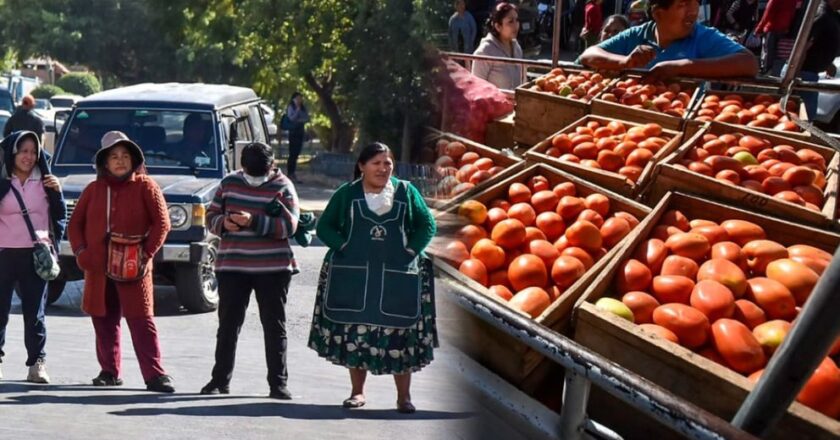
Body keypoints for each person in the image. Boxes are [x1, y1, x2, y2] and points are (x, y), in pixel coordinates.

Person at [308, 142, 437, 414]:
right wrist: (342, 247)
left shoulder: (406, 192)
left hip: (398, 276)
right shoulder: (347, 194)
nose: (383, 168)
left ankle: (404, 398)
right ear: (362, 166)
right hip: (355, 277)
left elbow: (427, 224)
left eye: (387, 163)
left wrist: (411, 250)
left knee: (400, 333)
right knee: (357, 332)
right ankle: (357, 393)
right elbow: (326, 226)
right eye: (376, 163)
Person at [67, 131, 175, 393]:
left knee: (141, 321)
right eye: (114, 156)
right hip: (98, 270)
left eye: (125, 156)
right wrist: (82, 253)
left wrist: (144, 254)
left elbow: (162, 224)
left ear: (134, 159)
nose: (119, 161)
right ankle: (109, 371)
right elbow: (74, 225)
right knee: (103, 320)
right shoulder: (93, 190)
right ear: (104, 162)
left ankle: (155, 375)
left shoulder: (146, 186)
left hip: (133, 269)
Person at [200, 141, 300, 399]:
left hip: (273, 267)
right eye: (250, 173)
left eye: (261, 174)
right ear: (241, 166)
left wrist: (253, 221)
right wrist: (225, 224)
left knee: (274, 325)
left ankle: (278, 384)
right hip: (233, 265)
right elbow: (210, 217)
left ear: (272, 165)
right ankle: (219, 379)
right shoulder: (229, 183)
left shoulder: (282, 186)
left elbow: (290, 227)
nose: (255, 179)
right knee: (228, 325)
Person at [0, 131, 66, 383]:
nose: (28, 157)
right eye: (23, 151)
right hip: (4, 254)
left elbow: (59, 216)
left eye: (33, 151)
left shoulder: (47, 182)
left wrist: (58, 192)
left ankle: (37, 364)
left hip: (36, 255)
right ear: (13, 153)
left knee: (35, 312)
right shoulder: (3, 180)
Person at [579, 0, 759, 79]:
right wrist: (625, 61)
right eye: (683, 4)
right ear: (658, 13)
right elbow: (588, 54)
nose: (694, 11)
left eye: (695, 3)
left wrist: (682, 66)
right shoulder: (637, 34)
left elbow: (749, 63)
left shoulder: (703, 36)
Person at [784, 0, 840, 117]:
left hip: (809, 73)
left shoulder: (831, 15)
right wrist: (794, 75)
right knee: (802, 117)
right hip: (803, 73)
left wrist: (827, 63)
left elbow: (820, 43)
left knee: (805, 115)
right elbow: (804, 45)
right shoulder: (822, 14)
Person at [472, 2, 525, 90]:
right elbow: (477, 89)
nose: (516, 25)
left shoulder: (516, 47)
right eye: (510, 21)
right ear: (498, 26)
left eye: (517, 20)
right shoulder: (485, 51)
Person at [754, 0, 797, 75]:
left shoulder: (774, 1)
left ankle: (765, 70)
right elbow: (792, 14)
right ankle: (775, 71)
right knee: (778, 53)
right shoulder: (792, 1)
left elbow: (767, 15)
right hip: (783, 29)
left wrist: (758, 30)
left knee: (768, 50)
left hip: (771, 28)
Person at [285, 92, 309, 184]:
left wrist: (300, 118)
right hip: (293, 132)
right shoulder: (291, 107)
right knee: (292, 153)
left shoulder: (303, 107)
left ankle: (293, 173)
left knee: (297, 153)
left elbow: (306, 118)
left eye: (301, 98)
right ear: (294, 99)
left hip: (300, 132)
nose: (300, 100)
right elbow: (291, 118)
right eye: (298, 98)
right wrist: (297, 111)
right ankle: (290, 173)